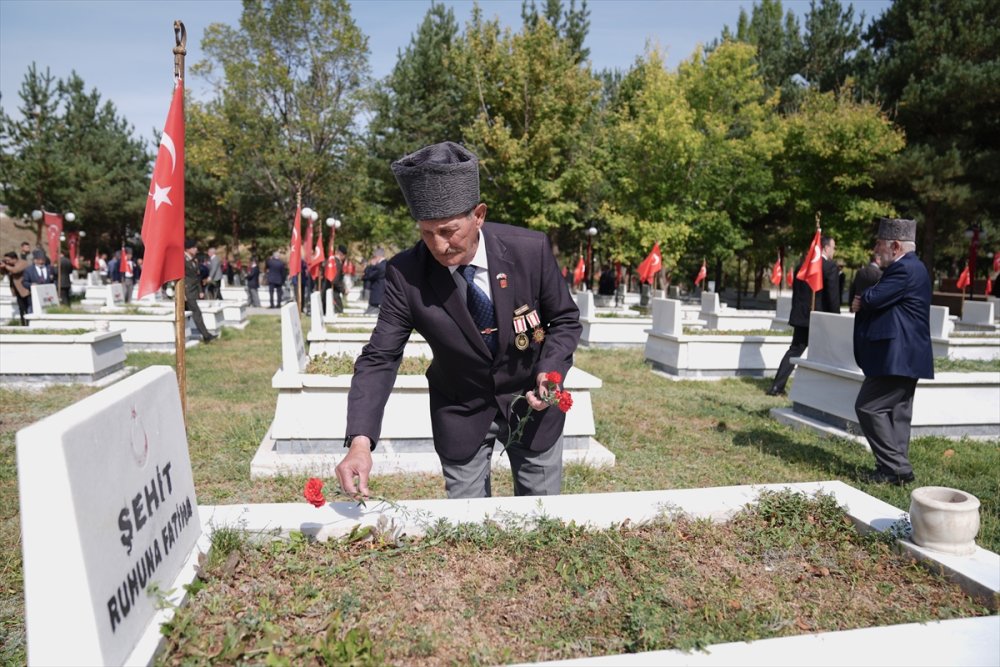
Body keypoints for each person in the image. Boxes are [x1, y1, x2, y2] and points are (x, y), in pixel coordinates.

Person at [335, 141, 582, 500]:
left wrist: (551, 371)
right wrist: (360, 441)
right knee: (468, 528)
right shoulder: (406, 274)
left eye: (449, 231)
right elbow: (380, 357)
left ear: (478, 215)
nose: (438, 245)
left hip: (533, 403)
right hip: (461, 410)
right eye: (426, 232)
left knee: (540, 518)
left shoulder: (530, 250)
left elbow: (564, 320)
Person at [851, 218, 932, 485]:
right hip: (908, 356)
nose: (876, 248)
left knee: (868, 407)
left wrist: (863, 299)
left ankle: (897, 468)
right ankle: (894, 471)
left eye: (880, 244)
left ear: (895, 246)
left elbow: (872, 298)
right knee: (898, 413)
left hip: (897, 356)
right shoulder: (915, 268)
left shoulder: (904, 270)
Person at [767, 235, 840, 396]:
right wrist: (835, 319)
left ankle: (776, 387)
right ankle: (821, 392)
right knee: (826, 356)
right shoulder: (829, 267)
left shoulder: (802, 265)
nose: (834, 251)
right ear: (826, 248)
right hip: (820, 320)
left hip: (802, 317)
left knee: (794, 351)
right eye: (833, 248)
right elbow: (833, 298)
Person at [184, 238, 216, 343]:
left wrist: (200, 290)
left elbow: (197, 277)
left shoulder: (193, 259)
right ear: (188, 248)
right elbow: (180, 277)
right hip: (187, 291)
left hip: (193, 290)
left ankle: (184, 334)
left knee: (187, 314)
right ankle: (206, 335)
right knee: (196, 312)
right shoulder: (182, 259)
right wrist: (182, 293)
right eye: (194, 247)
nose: (196, 249)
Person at [1, 251, 30, 324]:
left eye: (8, 260)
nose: (7, 262)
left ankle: (29, 322)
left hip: (25, 289)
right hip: (16, 289)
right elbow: (3, 273)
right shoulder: (9, 265)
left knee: (27, 307)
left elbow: (15, 270)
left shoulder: (23, 263)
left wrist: (5, 266)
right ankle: (23, 323)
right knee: (21, 307)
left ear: (14, 259)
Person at [363, 248, 387, 315]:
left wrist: (371, 266)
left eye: (374, 257)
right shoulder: (383, 264)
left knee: (373, 310)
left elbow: (369, 275)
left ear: (377, 256)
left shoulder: (381, 265)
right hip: (378, 290)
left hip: (378, 290)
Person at [332, 244, 347, 313]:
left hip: (333, 290)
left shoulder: (332, 261)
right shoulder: (337, 263)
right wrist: (343, 290)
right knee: (339, 310)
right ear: (342, 255)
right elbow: (335, 280)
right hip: (334, 292)